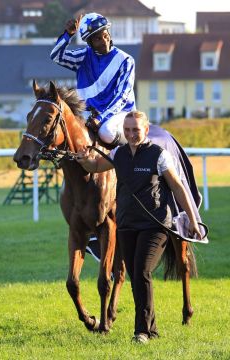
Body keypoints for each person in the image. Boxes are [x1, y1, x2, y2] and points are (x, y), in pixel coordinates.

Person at [76, 110, 202, 343]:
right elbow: (94, 168)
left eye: (136, 130)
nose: (131, 134)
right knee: (136, 276)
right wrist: (84, 159)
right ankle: (151, 329)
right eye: (127, 130)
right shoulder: (118, 153)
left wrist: (193, 221)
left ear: (146, 130)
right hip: (126, 225)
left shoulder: (159, 155)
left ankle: (141, 331)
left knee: (142, 271)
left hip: (155, 225)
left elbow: (178, 188)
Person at [50, 13, 136, 147]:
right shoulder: (83, 56)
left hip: (120, 113)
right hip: (88, 113)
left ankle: (126, 161)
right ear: (89, 42)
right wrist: (68, 34)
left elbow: (122, 96)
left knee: (106, 132)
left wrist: (101, 118)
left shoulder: (126, 60)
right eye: (97, 39)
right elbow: (56, 56)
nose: (104, 41)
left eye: (106, 36)